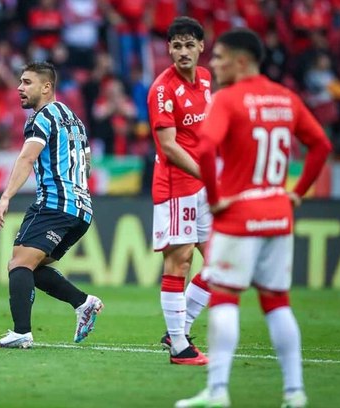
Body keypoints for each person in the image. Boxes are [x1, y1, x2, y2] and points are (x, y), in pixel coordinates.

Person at [175, 28, 332, 408]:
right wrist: (296, 191)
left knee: (226, 298)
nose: (213, 63)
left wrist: (215, 198)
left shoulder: (228, 99)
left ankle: (217, 391)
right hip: (278, 213)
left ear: (241, 61)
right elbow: (321, 145)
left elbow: (207, 148)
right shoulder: (285, 97)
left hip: (239, 213)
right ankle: (295, 392)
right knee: (277, 302)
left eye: (220, 57)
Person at [0, 62, 103, 349]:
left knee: (18, 263)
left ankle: (21, 332)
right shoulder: (75, 120)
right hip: (82, 210)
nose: (19, 88)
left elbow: (26, 159)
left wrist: (5, 197)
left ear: (46, 87)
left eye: (26, 82)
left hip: (54, 204)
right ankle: (83, 302)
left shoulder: (41, 118)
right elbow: (86, 165)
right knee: (31, 268)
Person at [146, 16, 212, 365]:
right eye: (176, 45)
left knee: (221, 262)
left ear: (201, 46)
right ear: (169, 48)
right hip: (176, 187)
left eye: (189, 44)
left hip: (204, 185)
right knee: (180, 261)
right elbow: (169, 146)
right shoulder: (162, 89)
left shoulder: (205, 79)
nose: (183, 51)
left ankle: (178, 330)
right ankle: (178, 347)